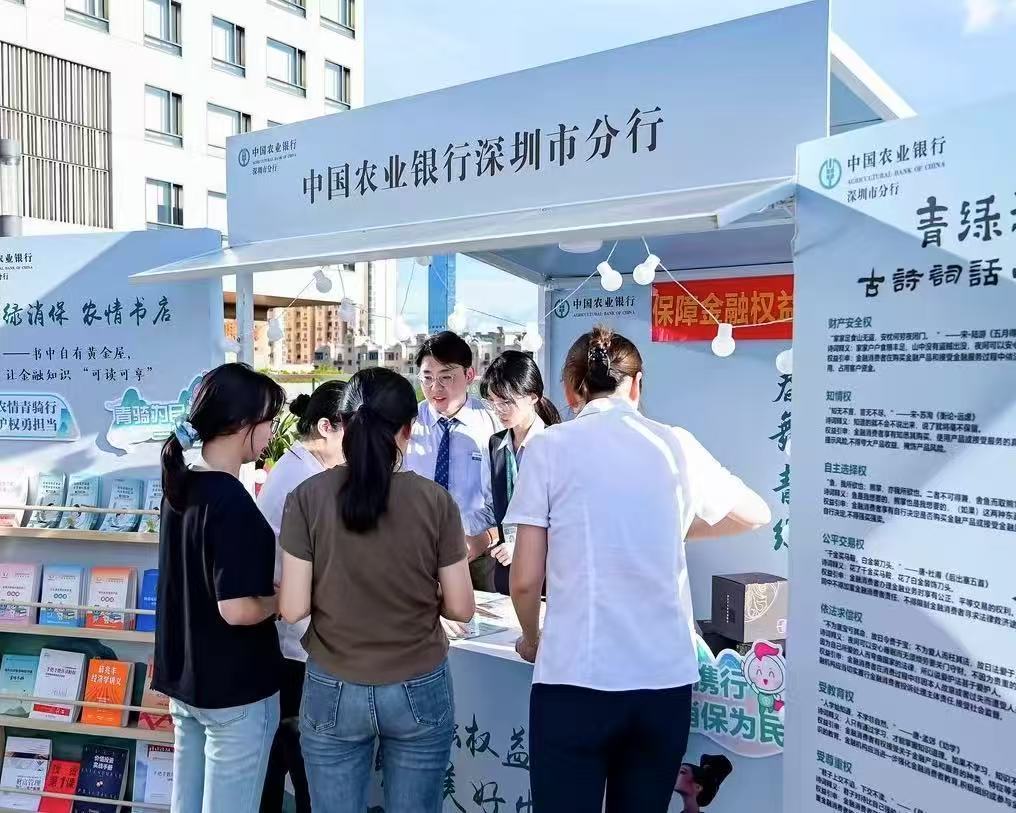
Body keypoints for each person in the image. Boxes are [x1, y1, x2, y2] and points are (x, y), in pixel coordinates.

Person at [505, 327, 772, 813]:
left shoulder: (550, 447)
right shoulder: (674, 444)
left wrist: (531, 638)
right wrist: (670, 527)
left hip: (575, 679)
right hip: (662, 684)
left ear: (571, 389)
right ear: (637, 384)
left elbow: (524, 580)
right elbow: (755, 513)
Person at [278, 367, 475, 813]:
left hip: (333, 682)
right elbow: (462, 607)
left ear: (345, 425)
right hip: (417, 681)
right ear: (408, 429)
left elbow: (291, 608)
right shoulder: (434, 501)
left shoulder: (307, 497)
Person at [154, 363, 286, 813]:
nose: (271, 432)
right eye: (269, 420)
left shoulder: (182, 484)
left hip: (187, 682)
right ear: (242, 423)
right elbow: (237, 609)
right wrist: (278, 601)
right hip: (235, 688)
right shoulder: (230, 499)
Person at [256, 381, 346, 813]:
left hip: (289, 634)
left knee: (285, 749)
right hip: (298, 639)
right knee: (306, 754)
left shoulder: (297, 467)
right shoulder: (307, 481)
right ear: (327, 427)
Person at [403, 330, 501, 589]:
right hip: (417, 556)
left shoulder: (493, 423)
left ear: (469, 375)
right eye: (427, 378)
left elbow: (508, 495)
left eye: (446, 377)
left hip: (477, 554)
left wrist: (485, 538)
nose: (435, 388)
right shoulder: (408, 424)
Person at [477, 350, 561, 594]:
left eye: (506, 402)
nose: (498, 410)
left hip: (547, 573)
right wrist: (457, 526)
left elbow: (562, 518)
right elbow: (493, 508)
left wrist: (523, 547)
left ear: (533, 396)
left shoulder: (556, 444)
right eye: (493, 402)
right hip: (507, 570)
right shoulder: (495, 444)